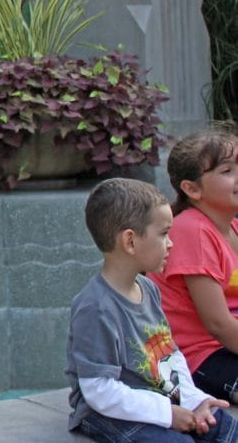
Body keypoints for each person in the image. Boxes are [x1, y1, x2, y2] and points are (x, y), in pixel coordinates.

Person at [66, 177, 238, 442]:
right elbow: (98, 390)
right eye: (164, 233)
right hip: (107, 413)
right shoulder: (95, 308)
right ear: (130, 241)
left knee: (224, 426)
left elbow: (170, 355)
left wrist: (195, 400)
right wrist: (168, 413)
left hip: (157, 397)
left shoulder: (149, 288)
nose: (171, 243)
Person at [150, 128, 238, 403]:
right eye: (227, 171)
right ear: (192, 189)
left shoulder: (232, 225)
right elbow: (218, 324)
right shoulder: (192, 231)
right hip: (198, 356)